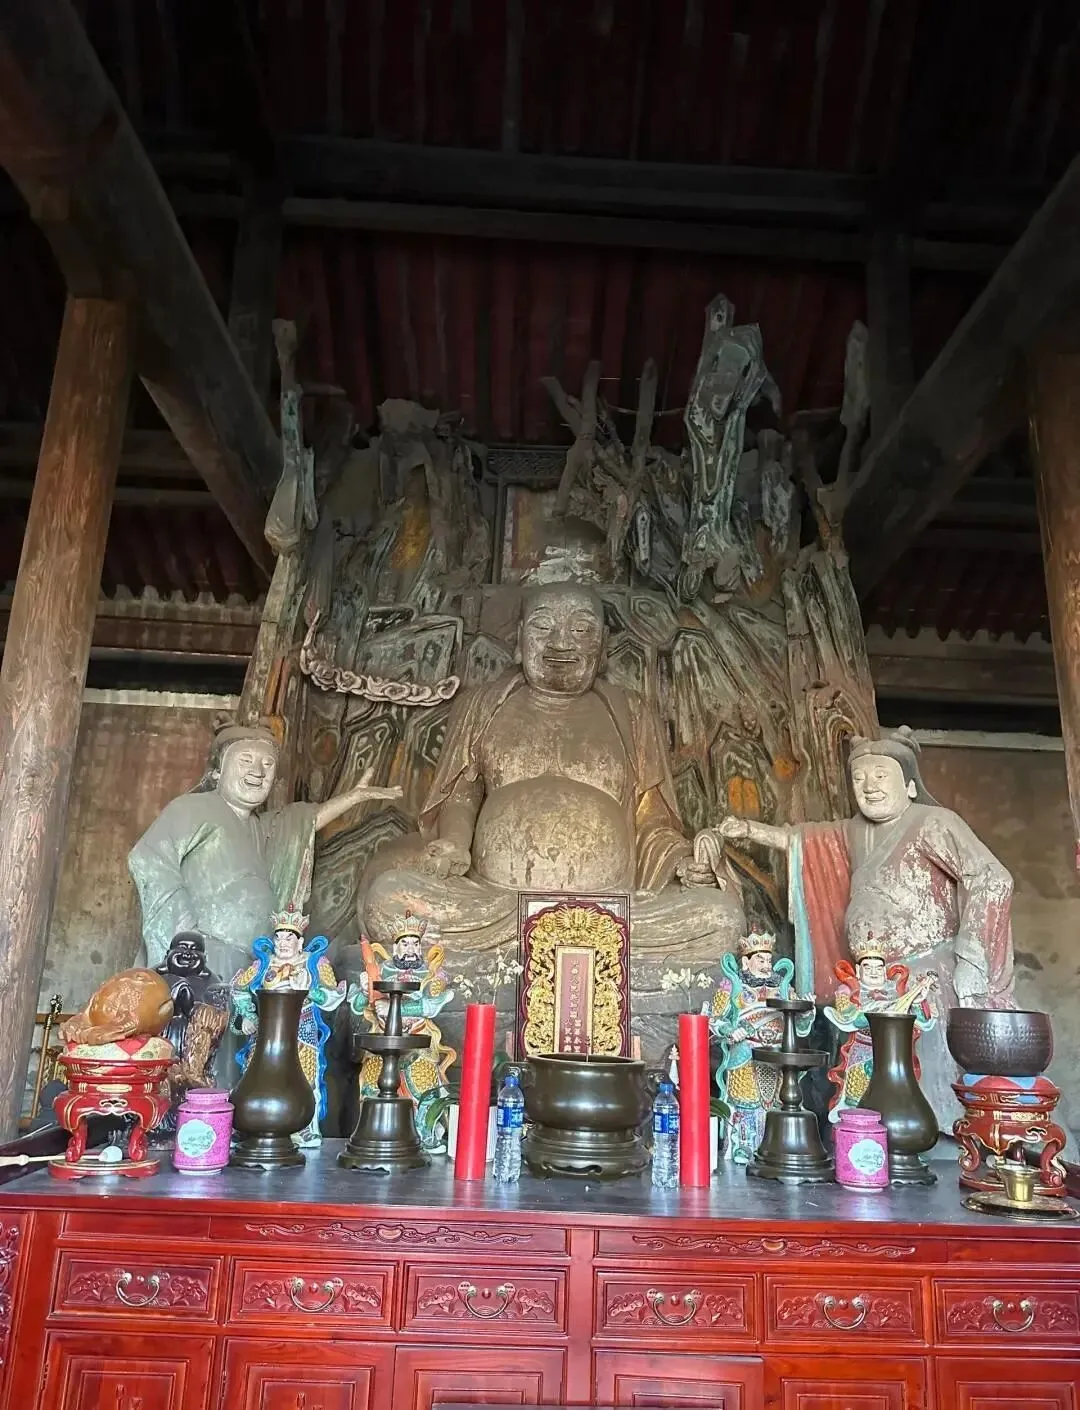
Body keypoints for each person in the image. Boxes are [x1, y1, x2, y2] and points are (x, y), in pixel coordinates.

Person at [361, 581, 743, 961]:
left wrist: (682, 864)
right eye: (543, 626)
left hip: (612, 912)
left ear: (603, 646)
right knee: (389, 897)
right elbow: (460, 795)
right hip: (496, 906)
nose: (561, 643)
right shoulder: (481, 705)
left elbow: (651, 824)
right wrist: (455, 844)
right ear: (519, 639)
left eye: (581, 629)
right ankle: (564, 949)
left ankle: (548, 948)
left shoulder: (633, 713)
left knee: (720, 917)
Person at [709, 728, 1015, 1128]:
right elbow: (804, 842)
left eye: (880, 776)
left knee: (924, 1075)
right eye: (859, 778)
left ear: (909, 785)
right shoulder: (856, 831)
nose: (869, 787)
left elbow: (992, 878)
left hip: (922, 978)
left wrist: (971, 958)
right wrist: (751, 831)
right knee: (858, 1076)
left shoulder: (934, 822)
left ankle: (940, 1137)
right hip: (866, 986)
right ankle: (862, 1139)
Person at [129, 721, 401, 981]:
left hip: (252, 964)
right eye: (245, 760)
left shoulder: (261, 828)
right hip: (200, 951)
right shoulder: (193, 808)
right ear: (217, 772)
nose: (258, 771)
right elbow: (149, 859)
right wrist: (183, 934)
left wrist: (352, 798)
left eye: (268, 764)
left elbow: (304, 823)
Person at [231, 905, 346, 1148]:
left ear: (300, 941)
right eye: (279, 938)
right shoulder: (263, 964)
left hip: (302, 1027)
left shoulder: (315, 963)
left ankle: (304, 1127)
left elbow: (333, 996)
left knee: (306, 1076)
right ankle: (254, 1124)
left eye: (289, 938)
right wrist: (248, 1015)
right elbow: (239, 989)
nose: (283, 943)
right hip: (267, 1030)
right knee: (255, 1074)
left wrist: (310, 991)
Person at [709, 931, 810, 1164]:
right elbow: (715, 1020)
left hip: (778, 1054)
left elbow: (800, 1025)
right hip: (746, 1053)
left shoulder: (783, 987)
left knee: (779, 1102)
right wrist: (730, 1030)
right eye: (760, 960)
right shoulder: (731, 986)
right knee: (746, 1101)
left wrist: (807, 1012)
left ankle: (777, 1145)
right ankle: (743, 1145)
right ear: (746, 962)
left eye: (768, 960)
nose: (766, 965)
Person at [823, 937, 935, 1122]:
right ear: (858, 970)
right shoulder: (847, 990)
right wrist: (880, 1011)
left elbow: (922, 1022)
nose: (874, 972)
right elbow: (848, 1018)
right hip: (863, 1052)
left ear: (884, 970)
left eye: (878, 968)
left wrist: (916, 1002)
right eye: (868, 968)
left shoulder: (897, 991)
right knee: (856, 1100)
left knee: (896, 1103)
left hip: (894, 1056)